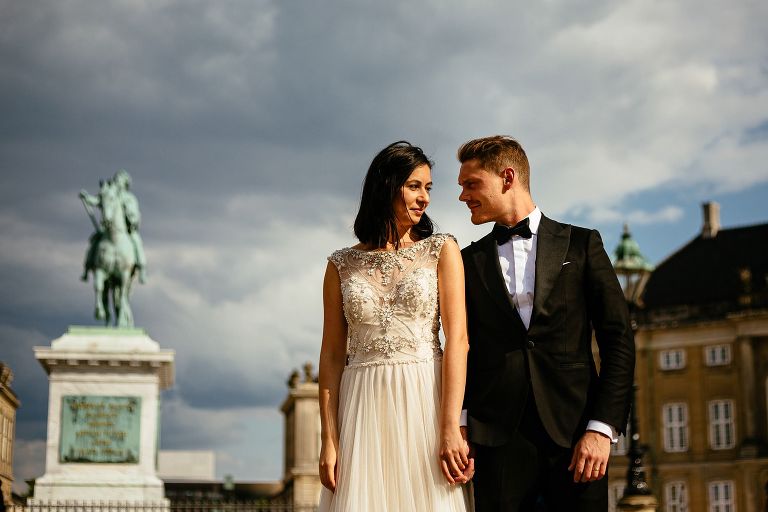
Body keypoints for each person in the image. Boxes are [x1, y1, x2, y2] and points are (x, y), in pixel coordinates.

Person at [456, 136, 635, 511]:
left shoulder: (582, 245)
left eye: (471, 184)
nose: (463, 196)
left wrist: (602, 428)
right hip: (496, 440)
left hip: (576, 437)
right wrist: (462, 423)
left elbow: (618, 340)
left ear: (507, 177)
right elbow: (462, 346)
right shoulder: (465, 261)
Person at [318, 141, 472, 511]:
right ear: (387, 186)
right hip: (362, 405)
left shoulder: (442, 249)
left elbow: (459, 340)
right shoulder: (341, 264)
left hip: (424, 399)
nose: (425, 199)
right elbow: (332, 355)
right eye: (414, 186)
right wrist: (329, 439)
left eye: (428, 188)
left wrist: (451, 426)